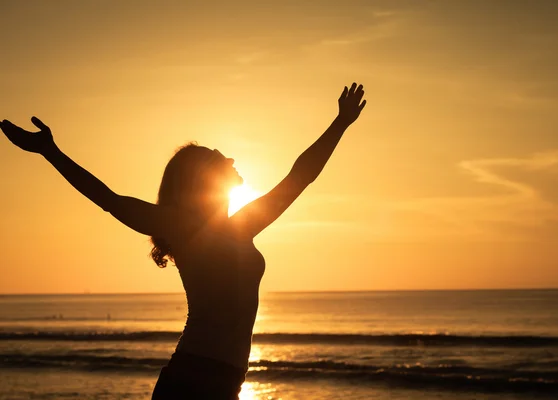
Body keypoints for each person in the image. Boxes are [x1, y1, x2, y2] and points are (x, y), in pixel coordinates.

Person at [0, 83, 367, 399]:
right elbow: (109, 200)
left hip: (226, 382)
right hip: (194, 381)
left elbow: (299, 177)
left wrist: (340, 123)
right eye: (217, 157)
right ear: (201, 177)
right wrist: (51, 152)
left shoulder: (242, 226)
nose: (231, 157)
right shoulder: (183, 228)